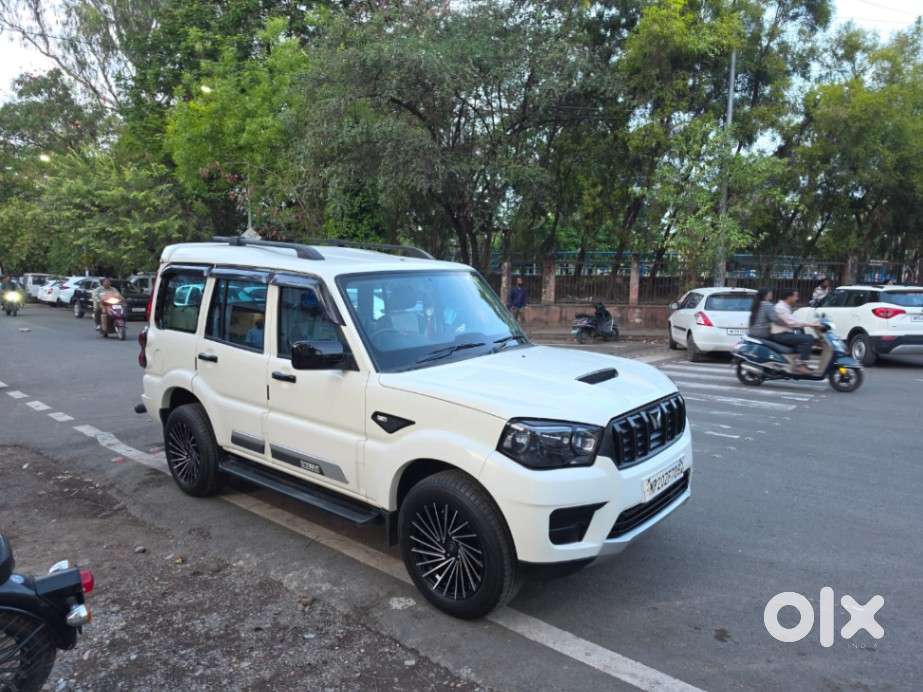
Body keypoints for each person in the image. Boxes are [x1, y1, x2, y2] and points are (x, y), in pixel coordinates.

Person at [771, 289, 820, 373]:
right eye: (795, 296)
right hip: (780, 335)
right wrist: (810, 324)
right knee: (808, 339)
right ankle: (800, 366)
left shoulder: (785, 307)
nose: (797, 298)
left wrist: (810, 323)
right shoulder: (780, 308)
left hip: (785, 333)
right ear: (789, 297)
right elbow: (792, 322)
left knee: (807, 338)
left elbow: (794, 320)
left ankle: (798, 363)